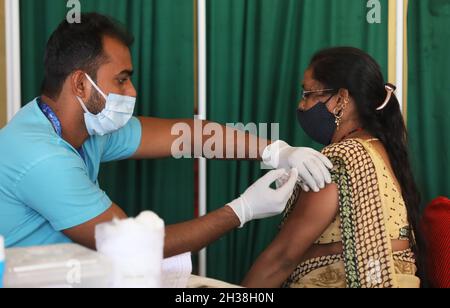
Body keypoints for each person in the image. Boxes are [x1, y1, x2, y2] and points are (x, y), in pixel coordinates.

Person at [0, 13, 332, 258]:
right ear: (81, 84)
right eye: (121, 79)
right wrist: (242, 210)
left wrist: (276, 151)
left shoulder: (84, 127)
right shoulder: (43, 158)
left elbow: (190, 136)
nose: (132, 90)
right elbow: (135, 247)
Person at [242, 47, 423, 288]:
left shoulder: (340, 158)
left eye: (308, 94)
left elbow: (281, 259)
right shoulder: (382, 150)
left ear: (341, 99)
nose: (301, 105)